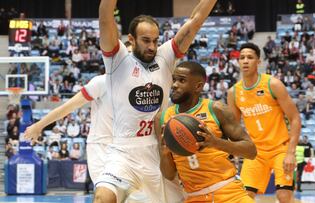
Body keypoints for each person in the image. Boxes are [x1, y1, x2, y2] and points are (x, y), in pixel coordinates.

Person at [96, 0, 218, 202]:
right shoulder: (117, 59)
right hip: (123, 153)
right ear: (131, 39)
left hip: (161, 149)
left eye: (155, 40)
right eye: (145, 40)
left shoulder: (165, 56)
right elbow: (105, 16)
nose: (152, 46)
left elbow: (196, 21)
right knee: (103, 197)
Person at [24, 74, 148, 201]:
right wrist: (39, 126)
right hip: (102, 147)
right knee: (105, 196)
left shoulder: (144, 85)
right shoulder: (101, 82)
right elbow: (67, 107)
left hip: (129, 148)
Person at [155, 61, 256, 203]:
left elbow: (251, 151)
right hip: (194, 197)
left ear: (198, 86)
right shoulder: (162, 119)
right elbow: (169, 174)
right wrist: (165, 152)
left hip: (229, 193)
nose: (174, 85)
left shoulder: (216, 109)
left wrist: (215, 142)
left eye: (182, 80)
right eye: (174, 79)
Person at [227, 43, 301, 203]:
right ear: (238, 62)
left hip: (280, 150)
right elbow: (232, 127)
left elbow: (295, 118)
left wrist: (290, 152)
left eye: (250, 57)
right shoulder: (233, 92)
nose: (245, 61)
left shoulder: (272, 84)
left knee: (284, 196)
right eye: (242, 58)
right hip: (255, 152)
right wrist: (231, 150)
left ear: (258, 62)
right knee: (244, 198)